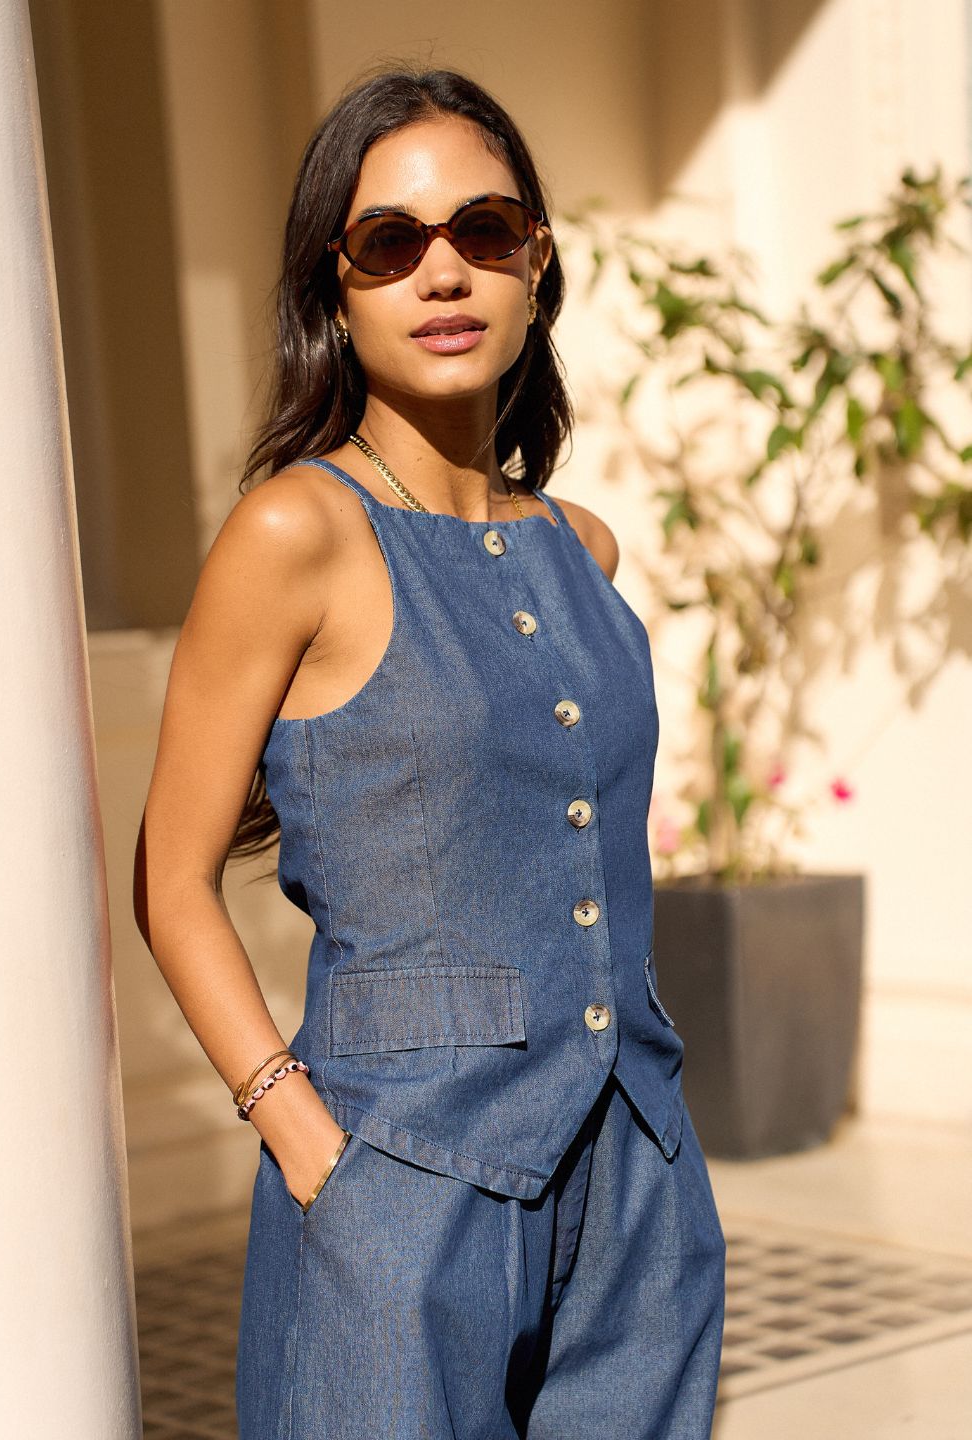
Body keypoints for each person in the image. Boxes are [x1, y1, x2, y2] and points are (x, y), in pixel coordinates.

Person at [133, 66, 726, 1440]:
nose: (443, 272)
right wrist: (303, 1139)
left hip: (636, 1183)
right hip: (396, 1187)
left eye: (486, 231)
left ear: (539, 266)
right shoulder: (296, 535)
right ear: (334, 291)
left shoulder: (582, 550)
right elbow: (171, 879)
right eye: (391, 245)